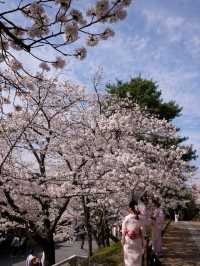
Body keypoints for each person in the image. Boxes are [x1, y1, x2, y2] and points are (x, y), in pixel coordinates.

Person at [121, 199, 144, 266]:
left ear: (130, 208)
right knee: (137, 260)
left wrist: (122, 240)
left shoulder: (126, 218)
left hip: (129, 242)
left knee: (129, 261)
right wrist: (143, 242)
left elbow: (123, 231)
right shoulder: (140, 218)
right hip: (137, 241)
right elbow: (142, 232)